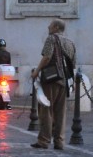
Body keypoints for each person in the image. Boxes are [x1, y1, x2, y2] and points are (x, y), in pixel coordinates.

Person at [31, 18, 76, 150]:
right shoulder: (71, 42)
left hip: (51, 79)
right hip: (64, 81)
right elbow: (72, 64)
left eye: (50, 25)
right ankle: (59, 141)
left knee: (46, 110)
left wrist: (36, 71)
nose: (48, 27)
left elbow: (47, 57)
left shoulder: (51, 38)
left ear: (56, 27)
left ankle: (44, 140)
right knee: (60, 112)